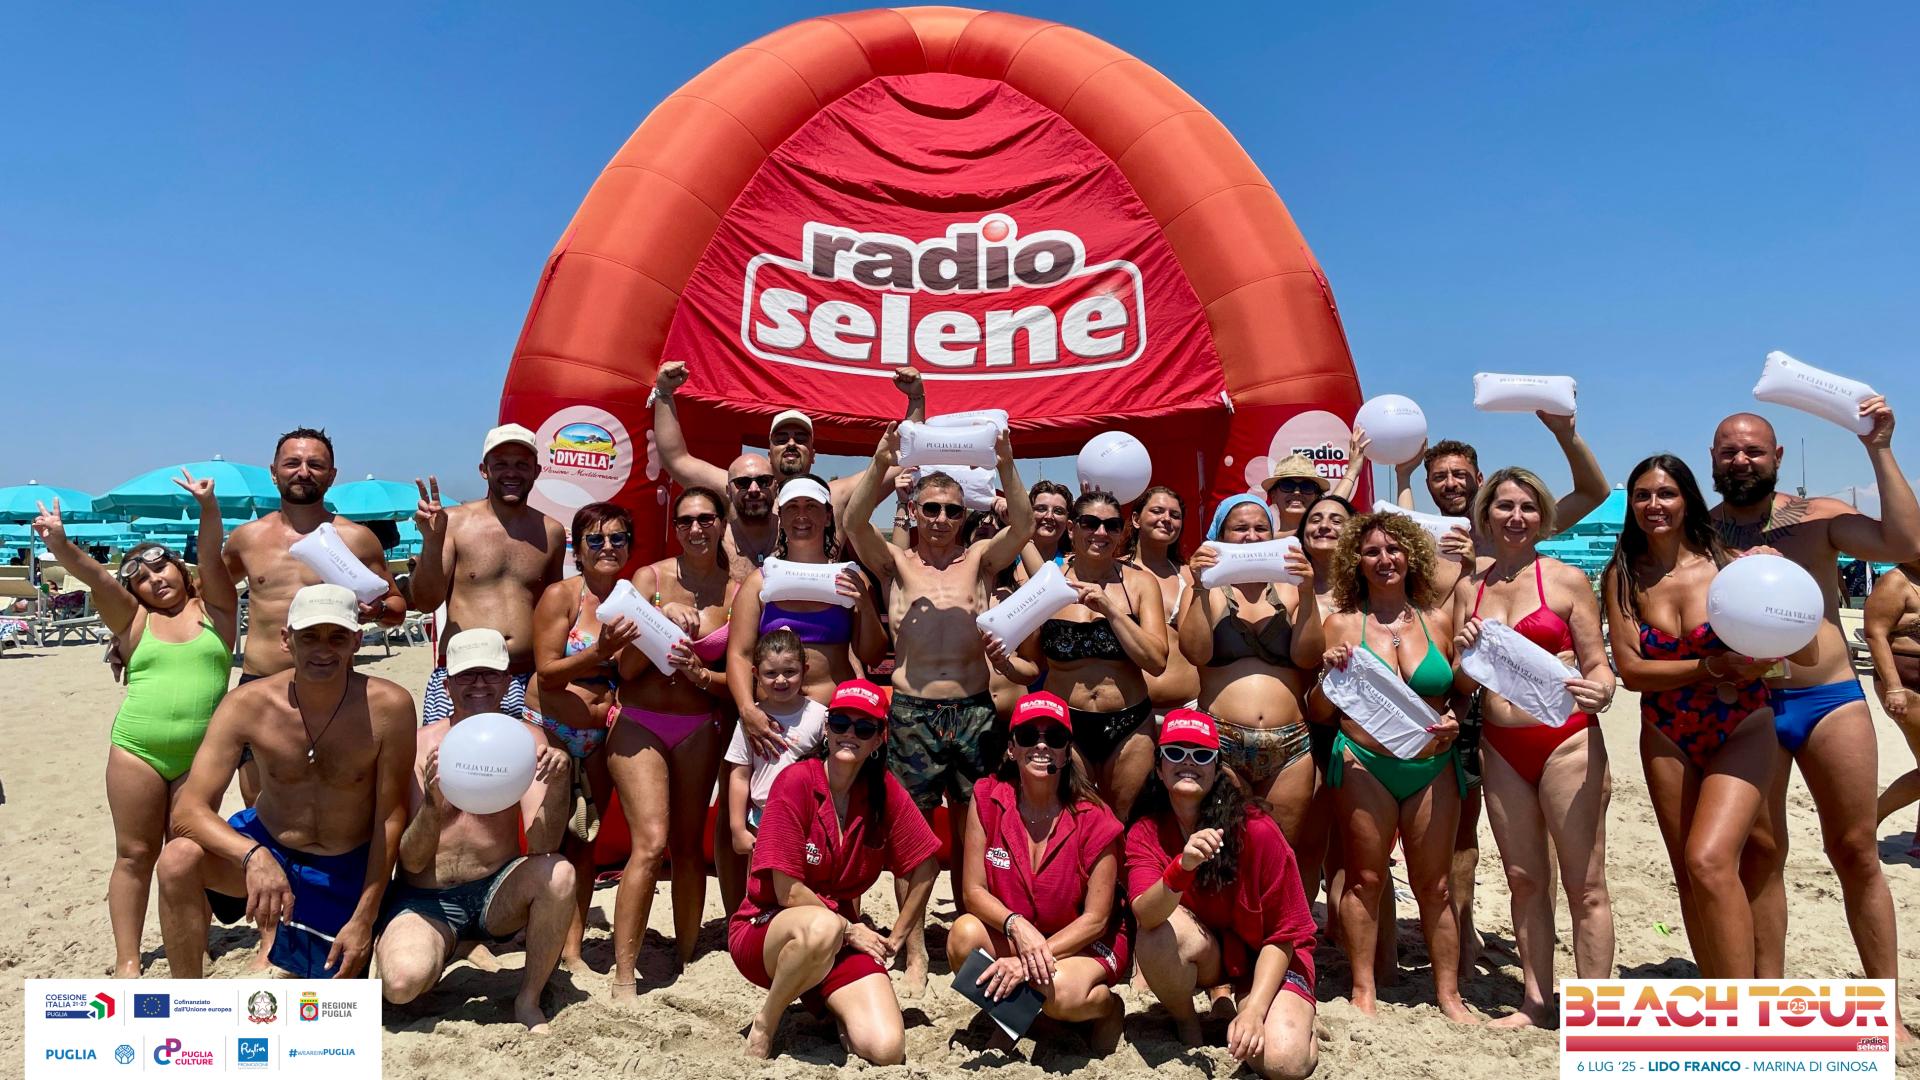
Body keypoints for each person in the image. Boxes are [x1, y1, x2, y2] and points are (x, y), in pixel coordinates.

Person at [1708, 406, 1917, 1014]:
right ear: (1713, 459)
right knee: (1762, 853)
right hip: (1749, 705)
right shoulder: (1700, 531)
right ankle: (1767, 998)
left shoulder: (1817, 517)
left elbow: (1907, 543)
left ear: (1776, 458)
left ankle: (1884, 1008)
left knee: (1855, 849)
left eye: (1753, 451)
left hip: (1829, 699)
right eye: (1729, 451)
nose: (1741, 461)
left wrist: (1879, 448)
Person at [1392, 421, 1606, 977]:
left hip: (1551, 727)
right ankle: (1466, 946)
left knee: (1567, 863)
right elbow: (1392, 536)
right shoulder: (1432, 545)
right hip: (1466, 708)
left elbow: (1593, 492)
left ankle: (1559, 978)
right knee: (1472, 840)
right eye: (1439, 476)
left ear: (1478, 479)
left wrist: (1565, 432)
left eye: (1460, 474)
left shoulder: (1514, 542)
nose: (1450, 483)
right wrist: (1401, 474)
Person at [844, 424, 1034, 988]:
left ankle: (967, 938)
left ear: (963, 515)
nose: (942, 519)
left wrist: (1006, 463)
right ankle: (914, 951)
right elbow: (853, 522)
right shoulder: (896, 564)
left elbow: (1023, 525)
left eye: (952, 510)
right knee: (913, 834)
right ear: (915, 510)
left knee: (977, 831)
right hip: (913, 713)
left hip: (974, 711)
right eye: (931, 508)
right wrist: (880, 462)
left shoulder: (980, 560)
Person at [1601, 455, 1800, 978]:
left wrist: (1775, 578)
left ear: (1687, 499)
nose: (1654, 505)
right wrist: (1712, 666)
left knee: (1716, 859)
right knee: (1690, 872)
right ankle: (1720, 990)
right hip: (1666, 730)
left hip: (1741, 723)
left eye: (1665, 493)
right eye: (1642, 495)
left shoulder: (1731, 565)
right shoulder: (1623, 575)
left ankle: (1752, 999)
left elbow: (1794, 648)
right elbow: (1632, 671)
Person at [33, 474, 238, 978]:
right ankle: (128, 959)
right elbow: (99, 580)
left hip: (201, 756)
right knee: (134, 854)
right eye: (141, 577)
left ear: (180, 570)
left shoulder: (216, 610)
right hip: (136, 750)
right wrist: (60, 544)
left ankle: (193, 945)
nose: (154, 579)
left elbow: (211, 556)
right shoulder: (132, 620)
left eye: (160, 565)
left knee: (186, 852)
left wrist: (208, 507)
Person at [156, 584, 415, 979]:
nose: (323, 649)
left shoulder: (388, 707)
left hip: (342, 862)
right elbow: (188, 810)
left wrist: (366, 914)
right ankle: (186, 996)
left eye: (337, 637)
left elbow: (390, 818)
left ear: (356, 641)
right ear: (286, 639)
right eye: (309, 636)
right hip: (269, 841)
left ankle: (301, 936)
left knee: (333, 994)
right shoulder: (248, 704)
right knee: (178, 859)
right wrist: (253, 855)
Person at [1452, 467, 1616, 1028]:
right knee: (1524, 879)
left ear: (1543, 516)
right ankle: (1536, 1001)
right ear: (1486, 515)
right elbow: (1462, 681)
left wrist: (1602, 691)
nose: (1516, 517)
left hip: (1567, 740)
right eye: (1504, 506)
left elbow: (1597, 664)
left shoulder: (1566, 580)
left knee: (1585, 884)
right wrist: (1464, 653)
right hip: (1501, 746)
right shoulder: (1470, 588)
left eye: (1527, 507)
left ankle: (1595, 1013)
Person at [730, 680, 941, 1063]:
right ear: (826, 728)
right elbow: (787, 892)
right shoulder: (795, 781)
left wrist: (897, 937)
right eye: (841, 723)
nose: (850, 734)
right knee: (824, 927)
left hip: (838, 936)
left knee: (886, 1049)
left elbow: (927, 865)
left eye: (864, 728)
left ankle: (828, 1007)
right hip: (767, 927)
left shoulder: (881, 789)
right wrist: (850, 929)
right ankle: (767, 1022)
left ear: (878, 739)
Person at [374, 629, 574, 1031]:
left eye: (490, 674)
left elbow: (543, 844)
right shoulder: (420, 746)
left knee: (559, 873)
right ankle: (447, 944)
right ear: (447, 684)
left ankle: (528, 998)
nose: (479, 684)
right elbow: (410, 861)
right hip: (426, 897)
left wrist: (556, 787)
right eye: (467, 675)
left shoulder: (528, 742)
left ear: (507, 681)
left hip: (493, 894)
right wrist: (433, 806)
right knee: (401, 985)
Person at [1320, 510, 1472, 1022]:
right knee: (1365, 879)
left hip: (1432, 766)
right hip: (1365, 764)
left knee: (1437, 886)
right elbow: (1320, 709)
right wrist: (1325, 674)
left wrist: (1456, 719)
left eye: (1393, 549)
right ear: (1356, 562)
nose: (1384, 559)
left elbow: (1459, 693)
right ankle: (1363, 990)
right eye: (1371, 552)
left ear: (1411, 556)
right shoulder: (1340, 623)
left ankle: (1449, 995)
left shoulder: (1438, 620)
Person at [1128, 710, 1318, 1076]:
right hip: (1213, 955)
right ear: (1159, 768)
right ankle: (1188, 1021)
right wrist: (1181, 868)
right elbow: (1146, 915)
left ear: (1217, 770)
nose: (1188, 762)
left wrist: (1254, 1011)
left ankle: (1296, 1013)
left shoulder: (1257, 830)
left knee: (1284, 1063)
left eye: (1201, 755)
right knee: (1155, 934)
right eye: (1175, 753)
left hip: (1271, 958)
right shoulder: (1146, 831)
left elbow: (1285, 935)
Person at [224, 428, 404, 805]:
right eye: (292, 463)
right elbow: (208, 598)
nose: (303, 472)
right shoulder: (246, 539)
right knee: (259, 801)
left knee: (333, 801)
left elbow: (397, 607)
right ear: (274, 472)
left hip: (333, 686)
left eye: (315, 464)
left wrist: (378, 610)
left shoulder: (357, 539)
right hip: (261, 682)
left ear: (331, 475)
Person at [607, 487, 736, 993]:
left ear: (722, 523)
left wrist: (702, 674)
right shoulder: (650, 579)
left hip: (699, 725)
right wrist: (657, 623)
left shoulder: (738, 591)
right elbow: (626, 670)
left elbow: (740, 679)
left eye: (706, 519)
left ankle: (685, 957)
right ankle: (624, 974)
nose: (696, 529)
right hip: (641, 720)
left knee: (687, 847)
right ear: (675, 528)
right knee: (650, 842)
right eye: (685, 521)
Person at [949, 692, 1128, 1051]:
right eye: (1029, 736)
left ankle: (1109, 1009)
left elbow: (1096, 920)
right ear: (1011, 748)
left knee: (1058, 991)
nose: (1042, 746)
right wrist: (1016, 926)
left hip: (1083, 942)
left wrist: (1028, 960)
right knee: (962, 936)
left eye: (1055, 738)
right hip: (1023, 932)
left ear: (1066, 752)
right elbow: (973, 892)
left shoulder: (1096, 818)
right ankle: (1023, 1020)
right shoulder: (987, 798)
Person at [991, 490, 1168, 817]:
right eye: (1090, 523)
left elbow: (1156, 662)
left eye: (1112, 526)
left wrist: (1110, 610)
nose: (1101, 532)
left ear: (1121, 532)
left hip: (1129, 723)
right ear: (1072, 528)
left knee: (1128, 821)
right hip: (1065, 724)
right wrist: (1004, 664)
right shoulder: (1047, 585)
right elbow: (1032, 668)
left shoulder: (1141, 584)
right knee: (1071, 820)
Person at [529, 501, 640, 974]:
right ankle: (538, 943)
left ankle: (571, 950)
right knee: (545, 841)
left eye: (617, 538)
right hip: (551, 728)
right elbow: (548, 673)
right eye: (595, 539)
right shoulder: (562, 596)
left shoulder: (635, 599)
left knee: (585, 842)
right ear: (578, 549)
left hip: (599, 733)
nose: (607, 547)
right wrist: (599, 651)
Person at [1181, 495, 1323, 850]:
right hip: (1222, 740)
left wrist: (1308, 594)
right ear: (1221, 535)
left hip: (1290, 743)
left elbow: (1308, 658)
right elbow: (1196, 652)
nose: (1252, 535)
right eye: (1240, 528)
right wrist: (1199, 586)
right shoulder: (1208, 589)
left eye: (1261, 528)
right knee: (1226, 853)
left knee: (1280, 854)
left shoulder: (1291, 587)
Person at [411, 424, 568, 727]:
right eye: (501, 464)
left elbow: (554, 610)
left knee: (529, 757)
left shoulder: (551, 532)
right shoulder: (453, 523)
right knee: (448, 756)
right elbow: (425, 601)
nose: (511, 472)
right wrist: (431, 543)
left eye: (521, 464)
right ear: (484, 470)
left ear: (536, 471)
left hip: (527, 676)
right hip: (463, 677)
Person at [651, 359, 925, 528]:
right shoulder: (741, 490)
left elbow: (900, 463)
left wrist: (916, 399)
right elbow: (677, 461)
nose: (791, 444)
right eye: (781, 439)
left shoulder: (835, 496)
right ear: (769, 453)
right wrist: (663, 393)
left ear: (813, 454)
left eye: (801, 439)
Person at [728, 476, 887, 757]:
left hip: (837, 722)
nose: (802, 515)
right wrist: (747, 709)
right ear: (781, 517)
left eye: (811, 506)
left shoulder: (853, 579)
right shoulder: (758, 582)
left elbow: (873, 655)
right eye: (792, 507)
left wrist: (864, 605)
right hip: (773, 724)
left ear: (827, 515)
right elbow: (739, 654)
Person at [723, 630, 829, 856]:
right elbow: (740, 776)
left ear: (805, 670)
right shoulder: (749, 722)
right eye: (771, 673)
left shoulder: (821, 717)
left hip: (810, 817)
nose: (781, 680)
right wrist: (737, 829)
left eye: (790, 672)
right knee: (761, 877)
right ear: (756, 674)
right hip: (762, 817)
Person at [1129, 486, 1200, 720]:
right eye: (1157, 511)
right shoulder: (1114, 573)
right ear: (1136, 519)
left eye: (1175, 515)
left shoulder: (1191, 576)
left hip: (1189, 709)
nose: (1166, 519)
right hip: (1131, 713)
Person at [1864, 560, 1920, 844]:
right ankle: (1867, 822)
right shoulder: (1896, 581)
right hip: (1905, 681)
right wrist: (1894, 687)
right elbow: (1875, 634)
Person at [1259, 426, 1370, 534]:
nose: (1297, 492)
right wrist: (1351, 472)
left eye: (1307, 486)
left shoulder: (1327, 538)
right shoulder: (1260, 541)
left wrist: (1352, 471)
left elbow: (1332, 504)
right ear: (1273, 494)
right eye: (1287, 485)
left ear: (1316, 496)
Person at [1017, 479, 1074, 577]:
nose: (1049, 516)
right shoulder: (1007, 561)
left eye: (1058, 511)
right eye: (1041, 509)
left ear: (1068, 521)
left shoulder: (1074, 566)